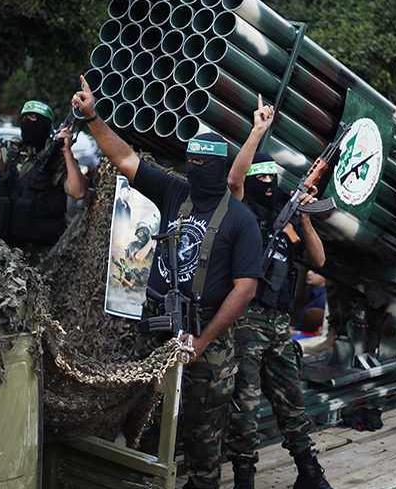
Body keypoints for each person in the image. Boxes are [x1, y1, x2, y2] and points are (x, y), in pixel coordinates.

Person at [72, 75, 263, 489]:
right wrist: (93, 118)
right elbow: (124, 159)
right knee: (151, 427)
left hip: (204, 342)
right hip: (159, 332)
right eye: (189, 161)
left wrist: (204, 340)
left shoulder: (242, 219)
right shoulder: (176, 191)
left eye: (202, 164)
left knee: (203, 439)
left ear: (218, 166)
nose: (193, 169)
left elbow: (244, 288)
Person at [223, 97, 332, 489]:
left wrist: (304, 219)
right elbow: (236, 180)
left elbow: (318, 259)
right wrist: (258, 131)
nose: (267, 184)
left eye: (273, 178)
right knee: (245, 407)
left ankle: (309, 471)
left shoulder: (284, 220)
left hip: (280, 325)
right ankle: (244, 478)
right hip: (247, 322)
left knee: (292, 401)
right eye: (261, 178)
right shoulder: (241, 214)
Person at [0, 69, 87, 248]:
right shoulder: (10, 153)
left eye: (35, 119)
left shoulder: (57, 161)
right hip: (5, 252)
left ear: (47, 126)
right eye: (25, 118)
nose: (29, 123)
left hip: (42, 255)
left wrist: (66, 152)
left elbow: (78, 191)